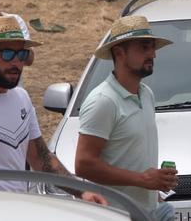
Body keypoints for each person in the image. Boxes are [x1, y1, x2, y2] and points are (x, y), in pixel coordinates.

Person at [0, 16, 104, 204]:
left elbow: (41, 159)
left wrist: (82, 192)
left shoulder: (21, 98)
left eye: (21, 54)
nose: (16, 62)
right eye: (7, 54)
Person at [76, 16, 178, 220]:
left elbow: (131, 156)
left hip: (150, 212)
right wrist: (143, 179)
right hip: (116, 214)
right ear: (119, 53)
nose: (152, 54)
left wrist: (154, 193)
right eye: (144, 47)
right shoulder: (103, 101)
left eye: (152, 47)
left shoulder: (146, 93)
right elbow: (84, 164)